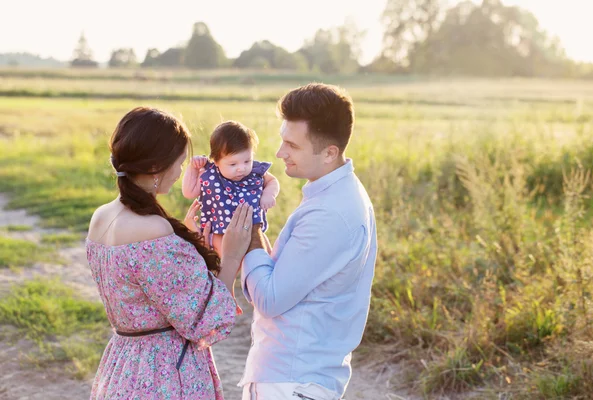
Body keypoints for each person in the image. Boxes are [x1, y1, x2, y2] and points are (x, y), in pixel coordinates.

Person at [85, 106, 254, 400]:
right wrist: (232, 255)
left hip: (123, 365)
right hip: (162, 372)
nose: (179, 173)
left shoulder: (101, 216)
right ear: (155, 168)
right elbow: (206, 317)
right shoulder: (152, 230)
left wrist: (184, 244)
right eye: (179, 163)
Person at [237, 83, 378, 400]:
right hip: (296, 377)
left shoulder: (329, 214)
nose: (279, 153)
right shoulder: (336, 195)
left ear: (329, 153)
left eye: (292, 145)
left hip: (291, 383)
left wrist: (248, 229)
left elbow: (271, 298)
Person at [181, 120, 280, 257]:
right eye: (233, 164)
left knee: (264, 260)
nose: (242, 168)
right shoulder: (210, 175)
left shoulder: (255, 172)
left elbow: (272, 181)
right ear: (216, 161)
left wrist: (269, 195)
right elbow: (189, 192)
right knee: (226, 267)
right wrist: (193, 168)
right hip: (221, 234)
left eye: (247, 161)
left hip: (253, 231)